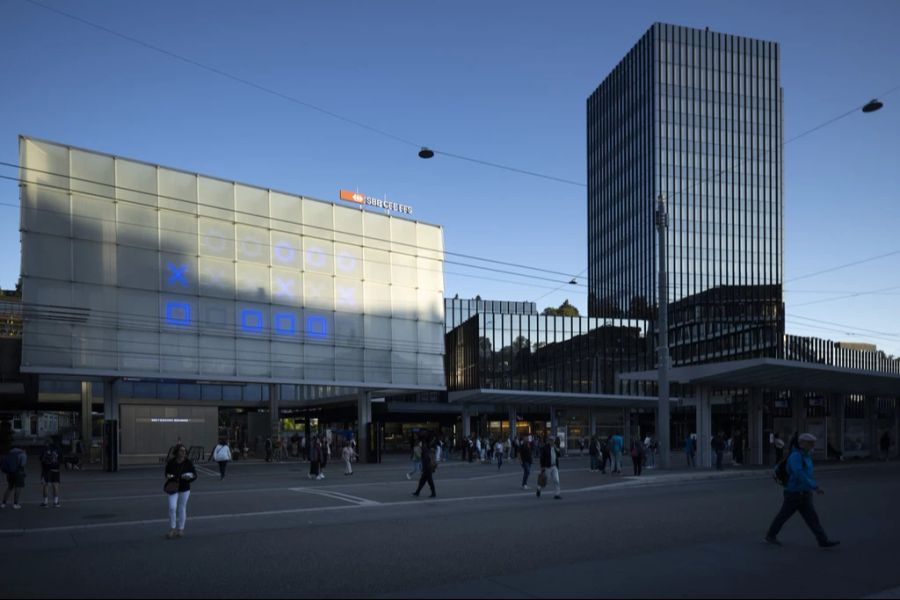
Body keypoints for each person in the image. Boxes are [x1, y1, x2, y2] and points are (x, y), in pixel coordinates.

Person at [765, 433, 839, 548]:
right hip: (794, 493)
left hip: (804, 493)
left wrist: (810, 487)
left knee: (812, 518)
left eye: (813, 443)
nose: (812, 445)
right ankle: (770, 535)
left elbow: (807, 474)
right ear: (801, 443)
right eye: (810, 443)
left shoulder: (806, 455)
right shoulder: (795, 456)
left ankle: (822, 540)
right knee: (783, 516)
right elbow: (799, 474)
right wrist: (814, 486)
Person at [164, 444, 197, 539]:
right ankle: (172, 529)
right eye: (181, 451)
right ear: (176, 452)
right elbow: (166, 474)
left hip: (184, 488)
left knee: (182, 508)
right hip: (173, 487)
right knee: (172, 507)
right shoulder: (171, 462)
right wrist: (172, 477)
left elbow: (195, 475)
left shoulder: (188, 462)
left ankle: (181, 529)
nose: (183, 452)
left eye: (184, 451)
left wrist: (189, 477)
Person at [1, 445, 27, 509]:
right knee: (18, 488)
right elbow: (22, 464)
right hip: (18, 473)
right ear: (23, 449)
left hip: (10, 473)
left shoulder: (10, 453)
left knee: (9, 488)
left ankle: (3, 503)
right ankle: (15, 504)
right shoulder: (22, 454)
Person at [536, 435, 562, 500]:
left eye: (553, 440)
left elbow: (559, 455)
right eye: (551, 440)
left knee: (557, 480)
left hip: (554, 466)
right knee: (545, 481)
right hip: (548, 467)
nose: (552, 442)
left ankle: (557, 494)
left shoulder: (555, 447)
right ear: (549, 441)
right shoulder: (545, 448)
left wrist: (557, 449)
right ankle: (539, 488)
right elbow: (542, 458)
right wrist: (542, 467)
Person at [39, 440, 62, 507]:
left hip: (46, 470)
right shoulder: (58, 449)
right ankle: (56, 502)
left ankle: (45, 502)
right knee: (55, 485)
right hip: (56, 469)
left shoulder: (45, 449)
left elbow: (41, 459)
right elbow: (61, 460)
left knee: (45, 485)